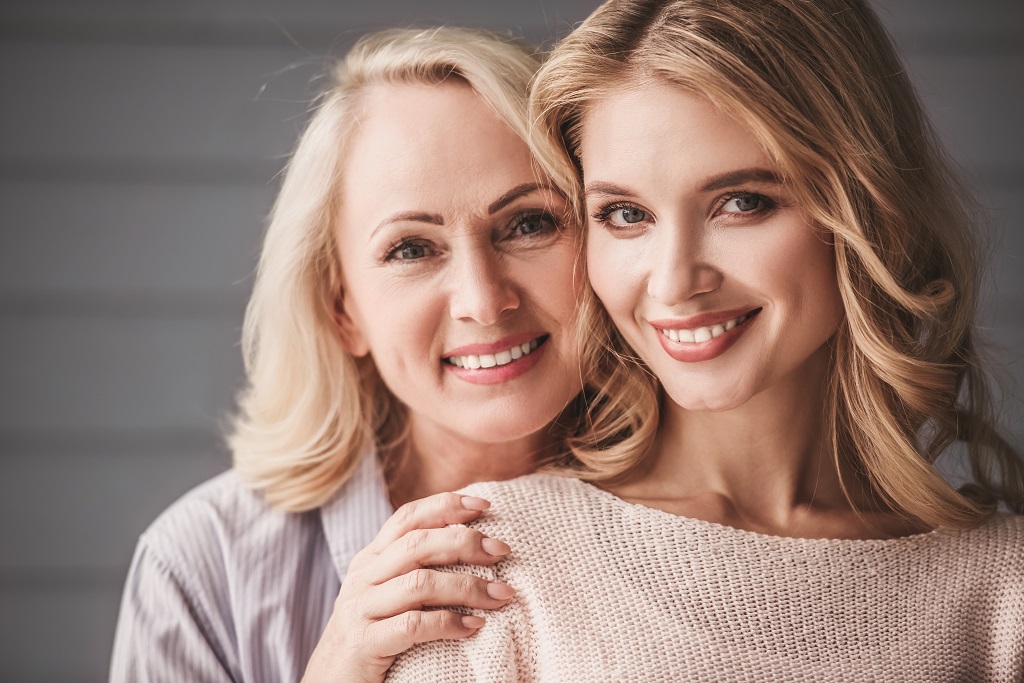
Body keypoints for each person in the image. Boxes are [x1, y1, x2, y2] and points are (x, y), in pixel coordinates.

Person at [386, 1, 1024, 680]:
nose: (674, 281)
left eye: (743, 202)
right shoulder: (490, 566)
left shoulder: (1003, 590)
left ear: (864, 206)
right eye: (626, 214)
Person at [109, 27, 586, 682]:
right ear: (343, 310)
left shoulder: (708, 517)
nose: (483, 298)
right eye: (411, 249)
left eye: (529, 222)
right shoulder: (200, 565)